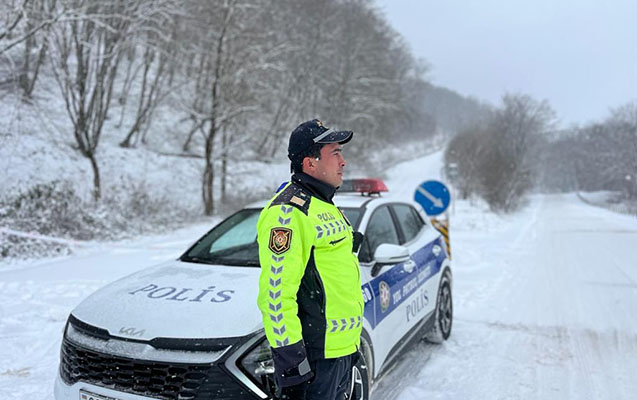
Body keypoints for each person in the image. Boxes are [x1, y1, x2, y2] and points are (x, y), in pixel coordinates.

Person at [256, 119, 364, 400]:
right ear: (310, 163)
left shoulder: (322, 202)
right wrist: (293, 366)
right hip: (315, 359)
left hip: (341, 350)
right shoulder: (289, 213)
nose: (344, 162)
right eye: (335, 153)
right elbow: (276, 295)